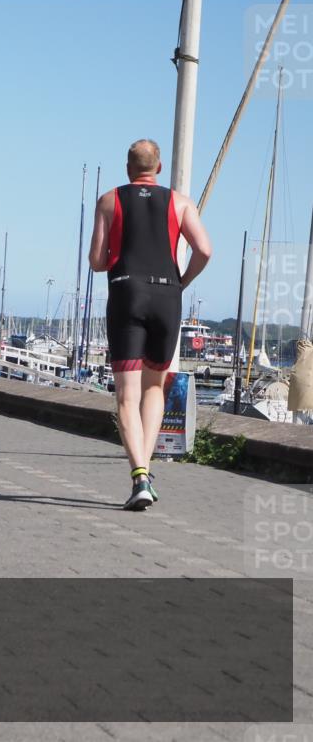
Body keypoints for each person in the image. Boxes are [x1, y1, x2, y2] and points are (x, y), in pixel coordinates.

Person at [88, 139, 212, 511]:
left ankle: (139, 475)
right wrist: (181, 281)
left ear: (128, 168)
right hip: (166, 296)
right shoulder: (180, 202)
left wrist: (115, 251)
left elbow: (96, 261)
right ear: (158, 168)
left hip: (127, 293)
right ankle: (146, 469)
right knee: (155, 386)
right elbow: (204, 249)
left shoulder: (110, 200)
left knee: (127, 393)